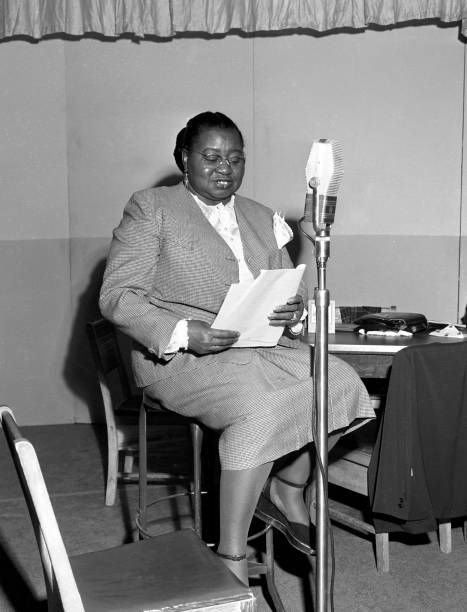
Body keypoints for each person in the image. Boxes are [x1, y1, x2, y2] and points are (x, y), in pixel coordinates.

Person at [99, 111, 374, 584]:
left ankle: (289, 487)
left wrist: (294, 307)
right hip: (183, 359)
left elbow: (291, 287)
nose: (224, 167)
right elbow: (118, 295)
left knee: (342, 382)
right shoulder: (152, 207)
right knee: (260, 408)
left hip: (260, 349)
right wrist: (186, 330)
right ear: (184, 158)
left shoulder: (259, 215)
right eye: (211, 156)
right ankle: (231, 557)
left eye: (235, 158)